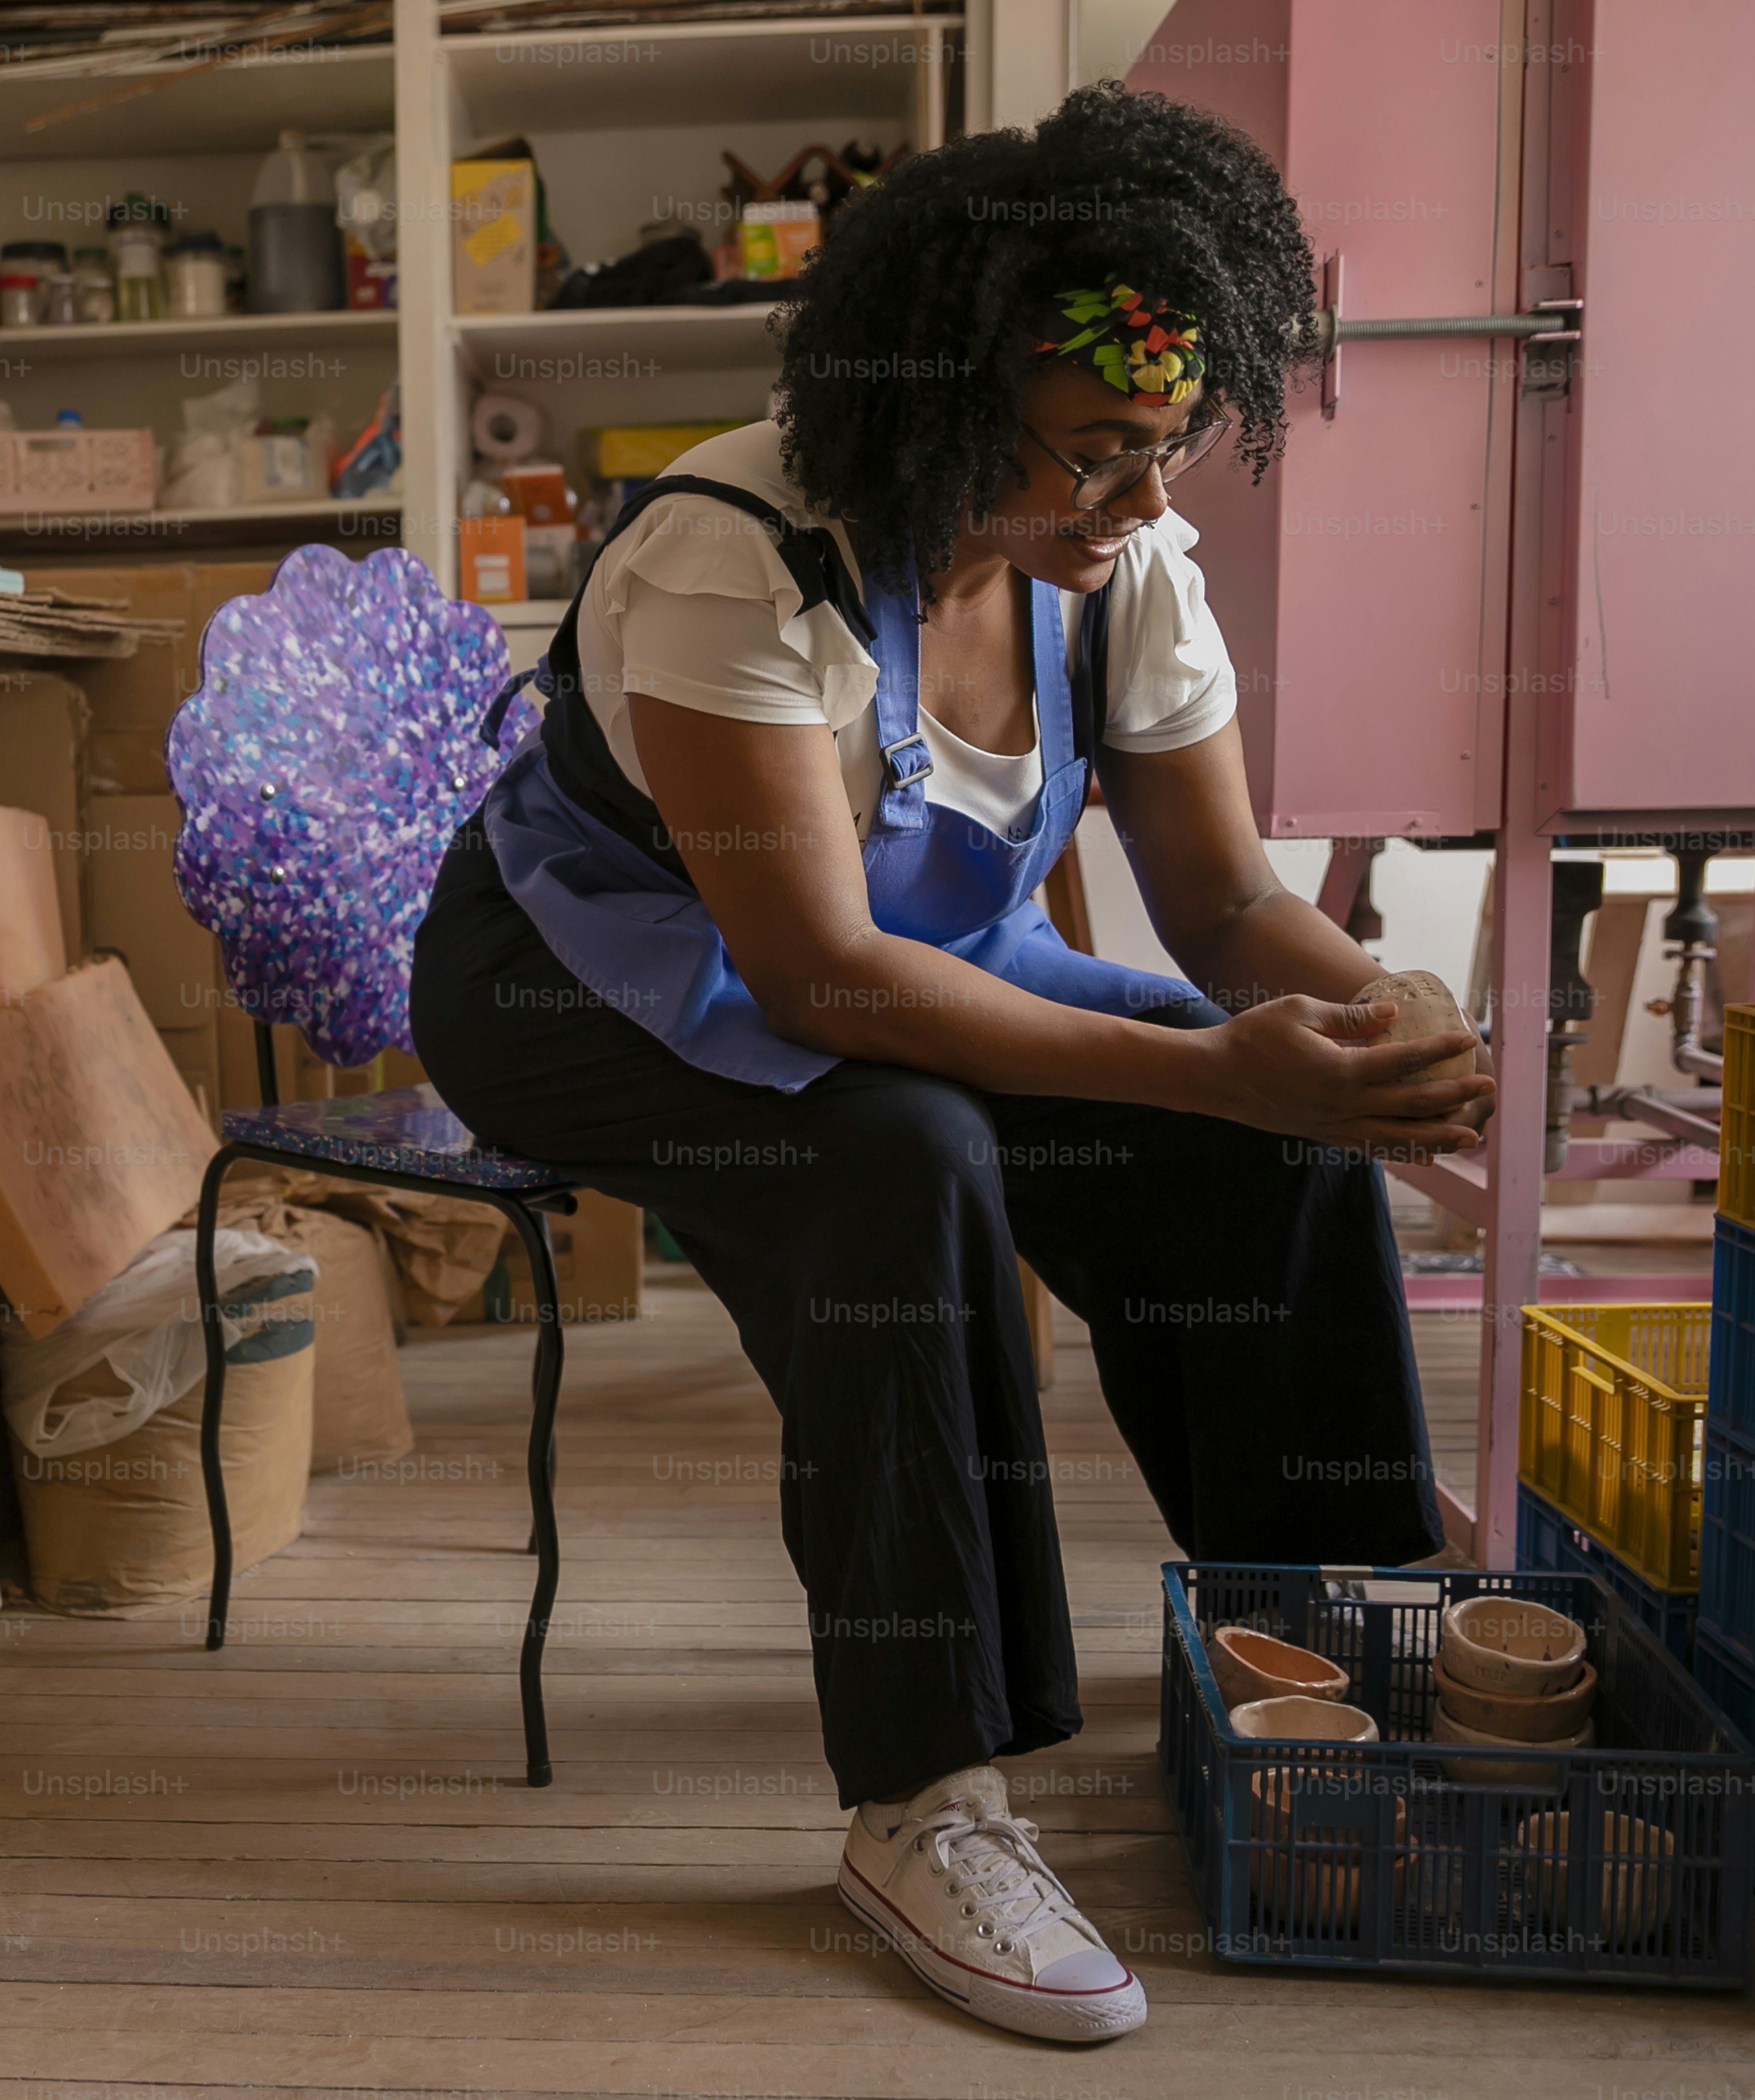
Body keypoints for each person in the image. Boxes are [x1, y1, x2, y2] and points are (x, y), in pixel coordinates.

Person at [406, 85, 1496, 2045]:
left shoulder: (1116, 573)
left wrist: (1369, 1022)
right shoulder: (738, 550)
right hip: (582, 981)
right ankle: (927, 1795)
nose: (1142, 503)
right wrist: (1220, 1069)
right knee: (904, 1161)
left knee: (1271, 1154)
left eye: (1163, 454)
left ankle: (1328, 1658)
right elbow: (820, 977)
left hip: (909, 965)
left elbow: (1225, 897)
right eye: (1093, 456)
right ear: (935, 412)